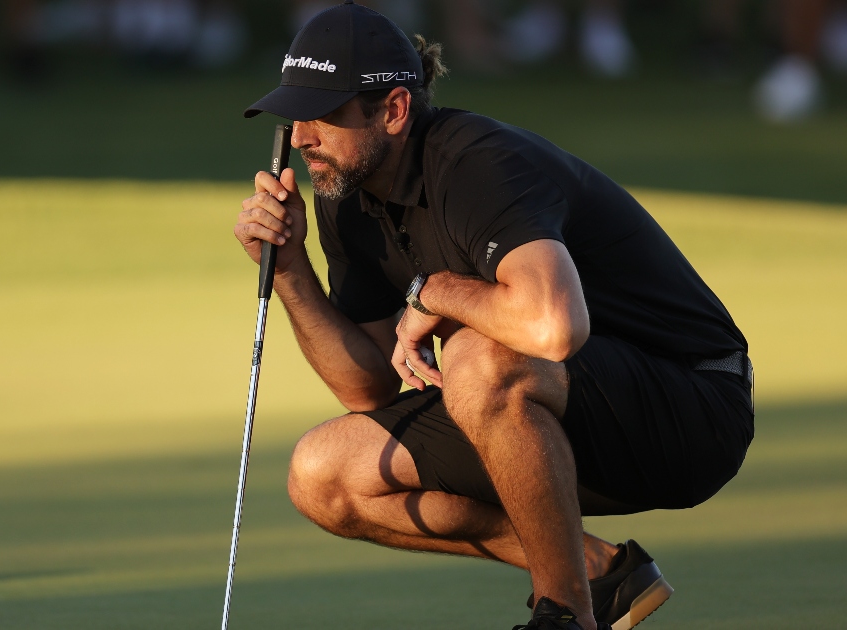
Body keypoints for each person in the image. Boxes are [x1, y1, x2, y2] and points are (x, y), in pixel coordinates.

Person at [233, 2, 754, 629]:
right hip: (556, 414)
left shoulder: (476, 164)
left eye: (323, 114)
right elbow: (367, 386)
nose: (299, 137)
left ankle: (564, 615)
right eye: (293, 115)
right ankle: (599, 575)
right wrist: (290, 270)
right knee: (323, 475)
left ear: (394, 111)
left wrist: (437, 292)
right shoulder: (344, 193)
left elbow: (556, 326)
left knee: (478, 356)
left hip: (691, 406)